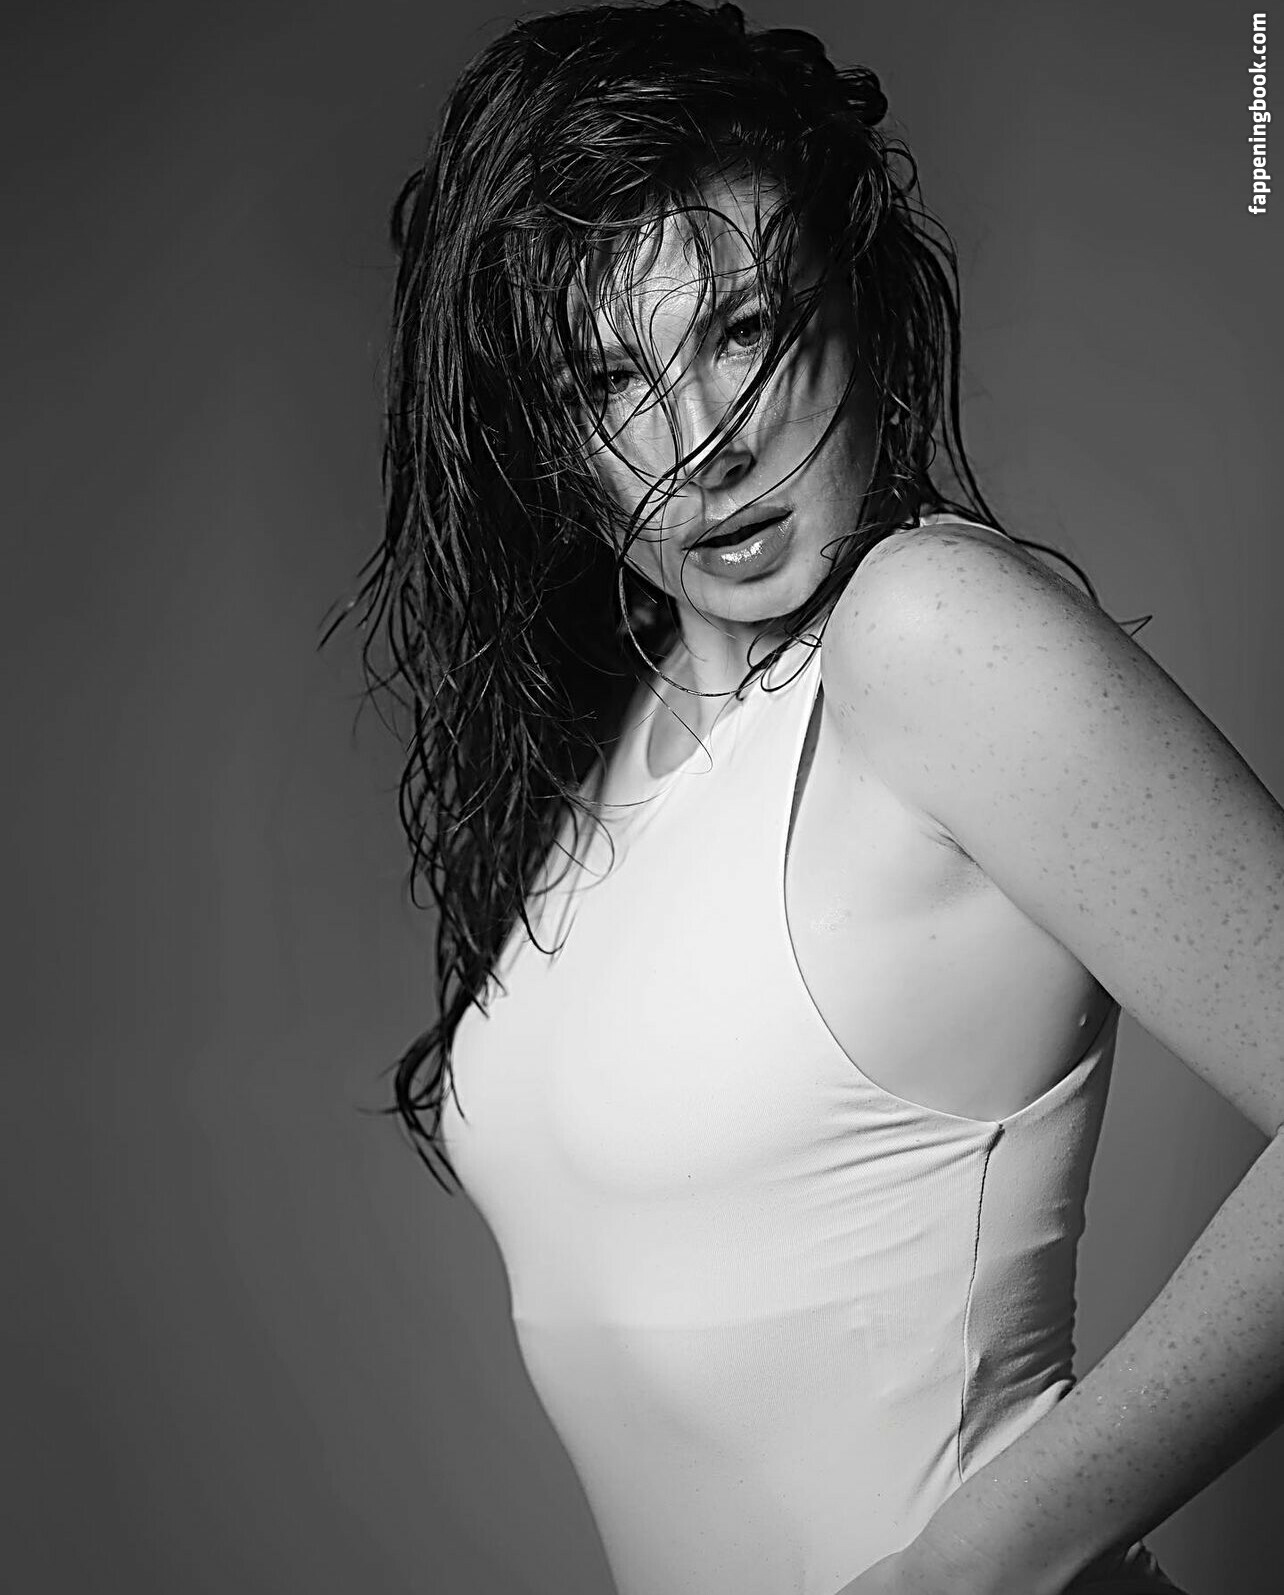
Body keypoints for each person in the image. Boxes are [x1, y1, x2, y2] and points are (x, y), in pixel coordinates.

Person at [326, 4, 1284, 1593]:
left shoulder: (924, 635)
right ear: (546, 435)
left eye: (742, 330)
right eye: (609, 376)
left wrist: (982, 1555)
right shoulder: (638, 725)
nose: (698, 445)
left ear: (857, 302)